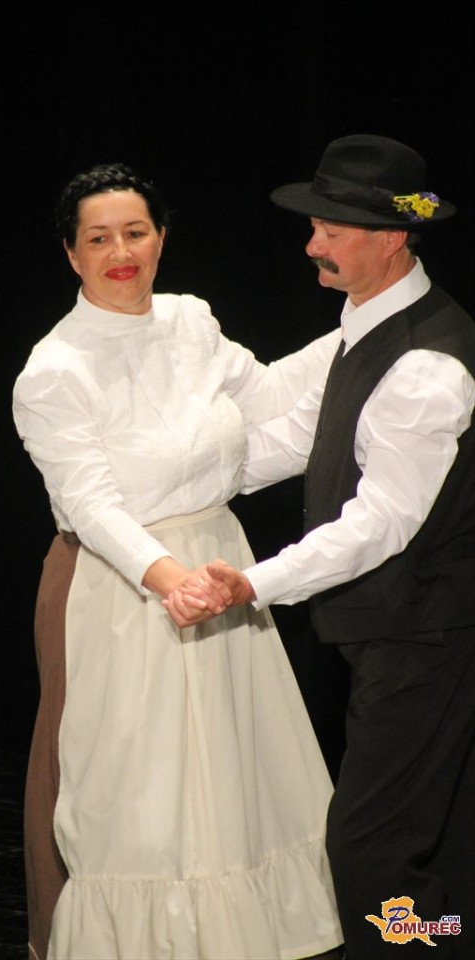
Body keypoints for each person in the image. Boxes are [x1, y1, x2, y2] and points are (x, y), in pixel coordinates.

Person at [12, 161, 344, 960]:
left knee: (232, 764)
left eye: (135, 232)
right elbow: (92, 506)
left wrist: (364, 330)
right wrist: (173, 583)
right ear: (71, 254)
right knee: (143, 783)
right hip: (122, 582)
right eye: (99, 239)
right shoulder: (54, 370)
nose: (120, 252)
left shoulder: (190, 321)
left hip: (217, 559)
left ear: (160, 238)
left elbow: (266, 396)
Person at [166, 135, 475, 959]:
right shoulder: (364, 330)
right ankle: (444, 942)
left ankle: (416, 947)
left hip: (427, 635)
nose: (312, 245)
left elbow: (382, 521)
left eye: (331, 230)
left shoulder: (426, 367)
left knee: (369, 852)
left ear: (392, 237)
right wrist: (169, 493)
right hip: (403, 633)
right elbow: (300, 433)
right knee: (441, 844)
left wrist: (252, 583)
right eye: (314, 227)